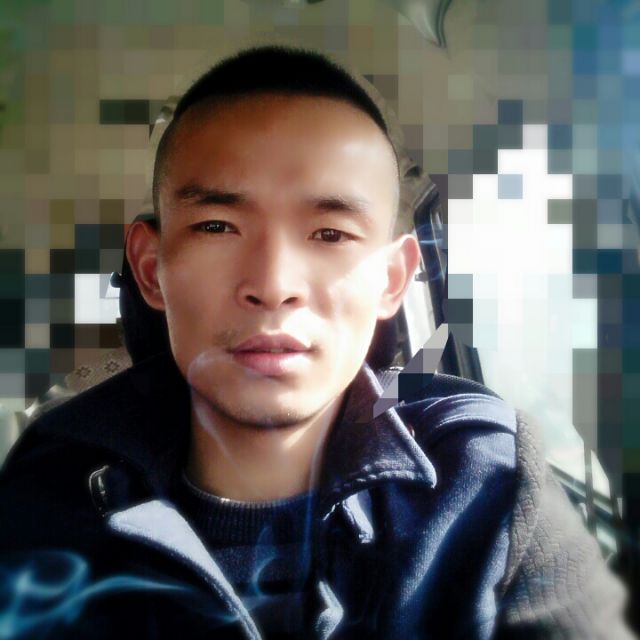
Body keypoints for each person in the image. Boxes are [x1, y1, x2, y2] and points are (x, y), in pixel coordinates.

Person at [0, 46, 634, 640]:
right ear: (149, 269)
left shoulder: (486, 480)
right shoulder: (43, 497)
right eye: (217, 225)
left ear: (392, 281)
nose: (273, 285)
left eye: (330, 234)